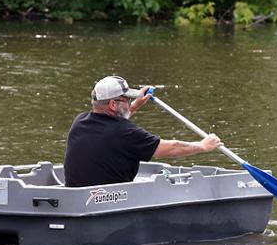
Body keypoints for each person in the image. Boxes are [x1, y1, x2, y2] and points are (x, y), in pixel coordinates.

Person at [63, 75, 223, 187]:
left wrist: (135, 106)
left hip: (78, 195)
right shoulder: (125, 132)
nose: (129, 102)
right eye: (127, 99)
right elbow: (171, 148)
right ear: (113, 104)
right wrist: (203, 146)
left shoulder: (80, 121)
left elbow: (113, 125)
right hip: (109, 199)